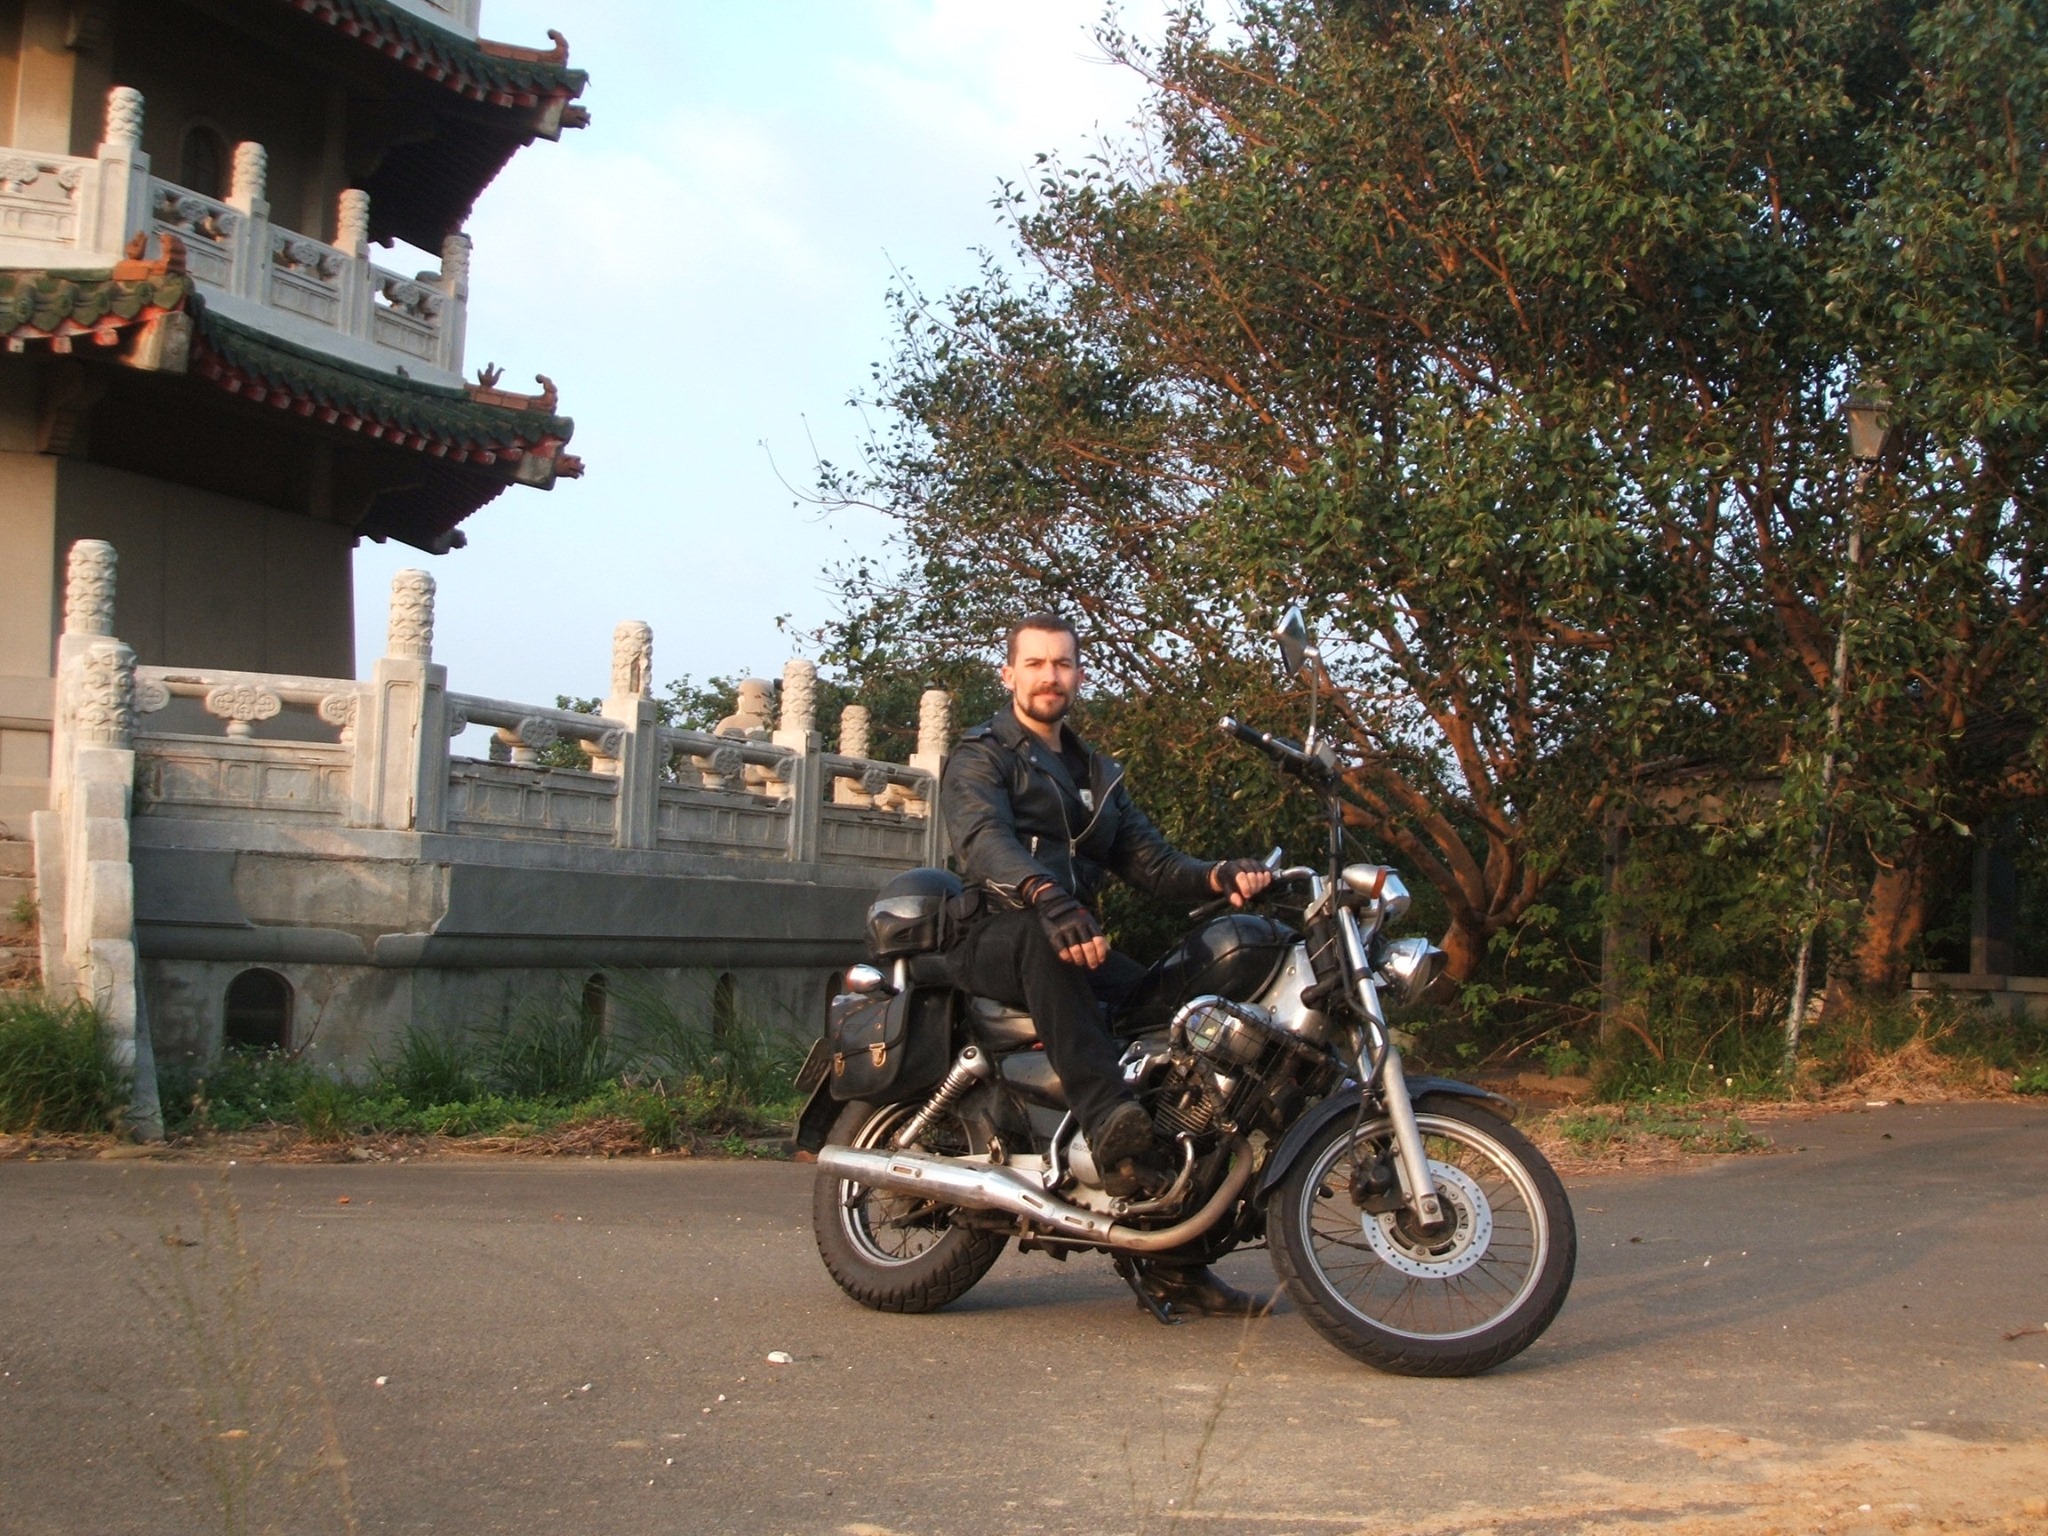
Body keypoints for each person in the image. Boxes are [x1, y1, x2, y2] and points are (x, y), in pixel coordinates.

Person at [940, 613, 1275, 1316]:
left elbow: (1151, 862)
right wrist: (1049, 898)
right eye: (1034, 664)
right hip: (998, 935)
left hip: (1072, 942)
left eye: (1061, 665)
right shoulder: (982, 755)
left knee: (1174, 1008)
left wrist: (1220, 875)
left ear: (1079, 676)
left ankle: (1171, 1252)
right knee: (1041, 935)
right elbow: (984, 842)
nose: (1048, 677)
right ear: (1008, 674)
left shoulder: (1095, 773)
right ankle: (1106, 1120)